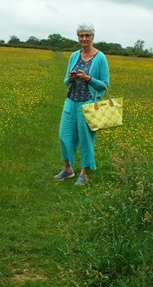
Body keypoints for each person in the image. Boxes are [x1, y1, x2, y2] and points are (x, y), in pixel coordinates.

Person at [54, 23, 110, 186]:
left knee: (85, 139)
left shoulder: (100, 57)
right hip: (71, 101)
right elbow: (65, 81)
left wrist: (88, 78)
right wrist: (71, 79)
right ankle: (67, 169)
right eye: (81, 35)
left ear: (93, 37)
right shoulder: (74, 56)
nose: (84, 39)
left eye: (87, 35)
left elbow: (105, 85)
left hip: (88, 104)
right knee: (64, 136)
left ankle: (84, 174)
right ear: (78, 37)